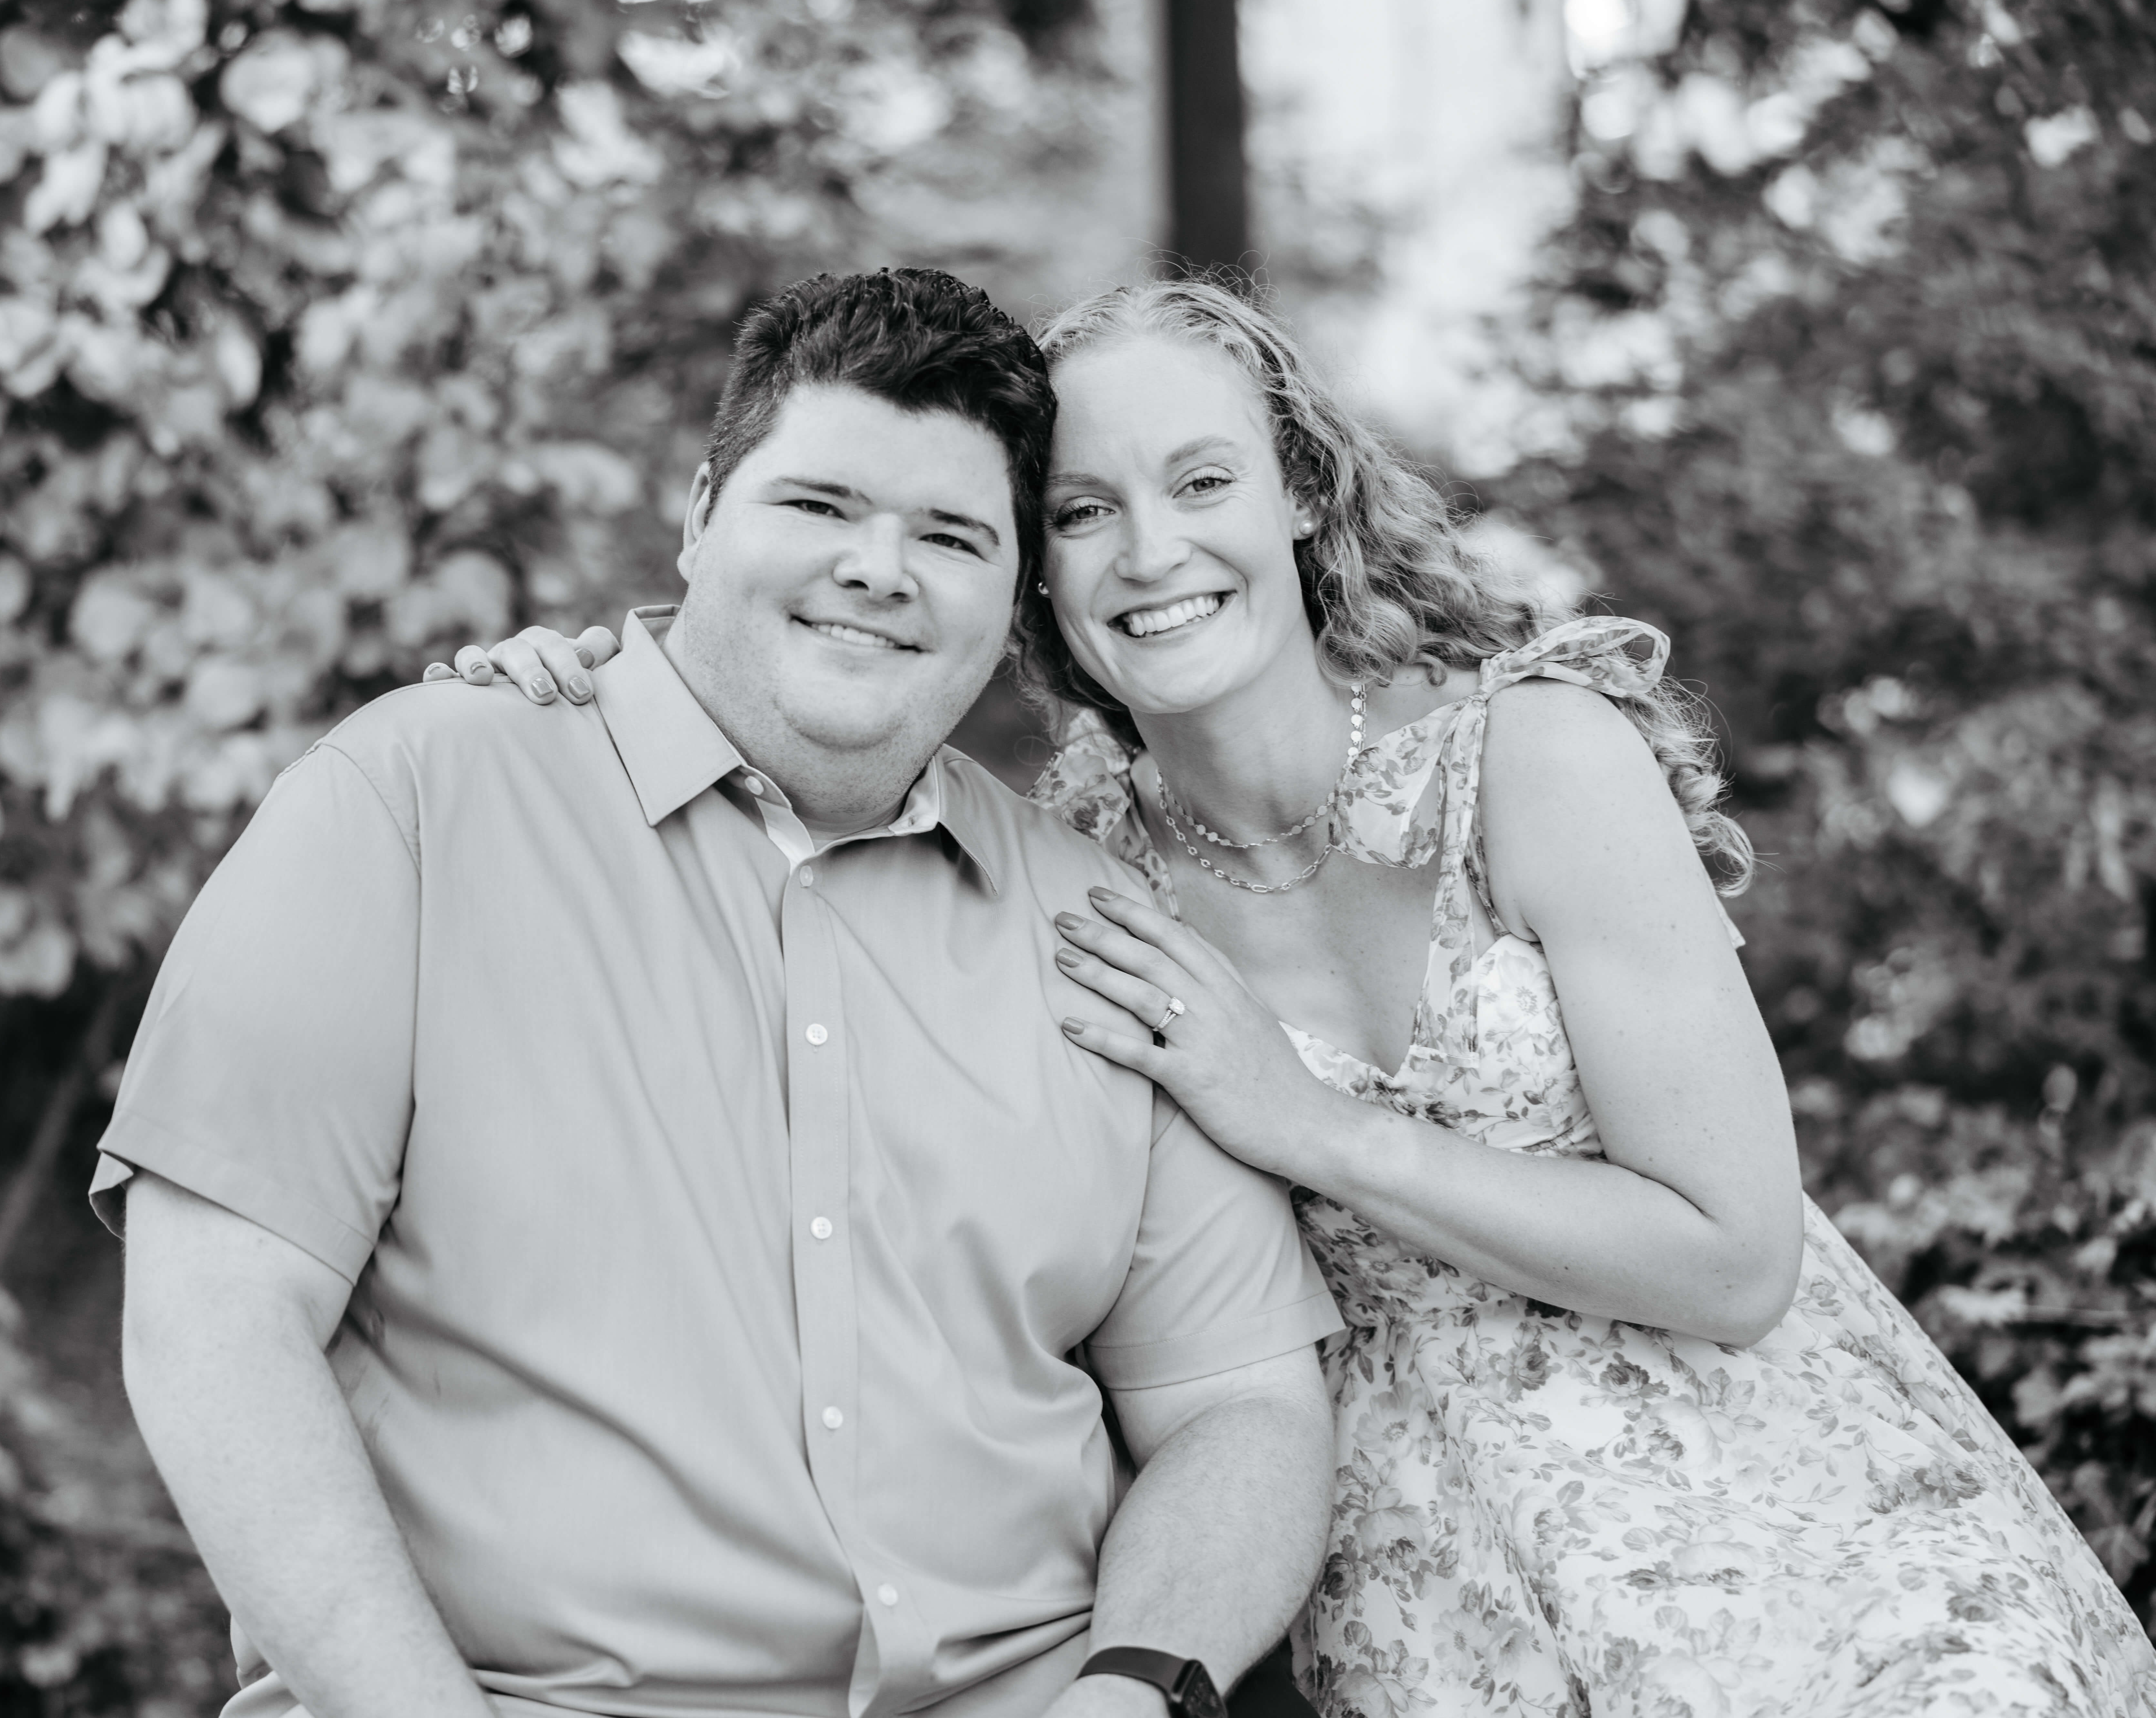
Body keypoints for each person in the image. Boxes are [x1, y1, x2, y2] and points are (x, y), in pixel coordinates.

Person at [449, 279, 2156, 1716]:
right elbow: (808, 918)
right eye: (1082, 511)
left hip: (1798, 1559)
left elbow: (1733, 1253)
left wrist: (1311, 1125)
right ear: (1033, 570)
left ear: (1300, 500)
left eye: (1202, 482)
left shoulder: (1534, 760)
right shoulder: (1073, 874)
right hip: (1430, 1613)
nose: (1151, 550)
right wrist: (587, 696)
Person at [97, 268, 1350, 1718]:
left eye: (947, 534)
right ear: (699, 513)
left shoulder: (1097, 923)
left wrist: (1127, 1690)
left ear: (1010, 597)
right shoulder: (415, 802)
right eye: (817, 506)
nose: (878, 569)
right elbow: (212, 1318)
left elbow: (1239, 1402)